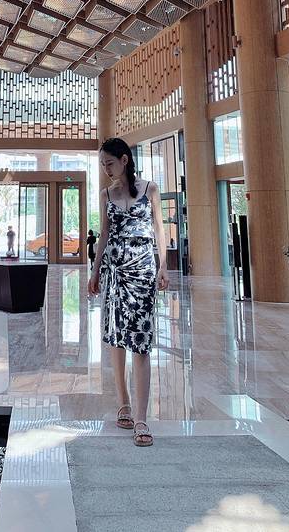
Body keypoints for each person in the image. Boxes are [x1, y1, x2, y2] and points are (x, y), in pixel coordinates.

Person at [88, 137, 169, 448]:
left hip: (143, 272)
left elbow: (159, 228)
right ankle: (123, 402)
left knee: (141, 340)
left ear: (124, 160)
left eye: (109, 163)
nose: (106, 169)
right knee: (116, 335)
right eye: (102, 165)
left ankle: (142, 418)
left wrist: (163, 266)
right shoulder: (106, 194)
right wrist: (95, 271)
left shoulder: (150, 189)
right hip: (115, 273)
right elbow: (104, 234)